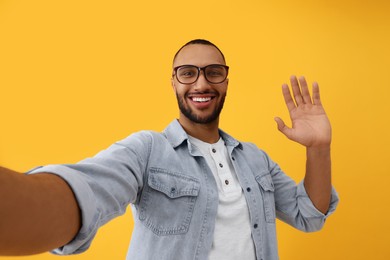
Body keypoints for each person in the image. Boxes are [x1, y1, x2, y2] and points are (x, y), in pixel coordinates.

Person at [0, 39, 338, 260]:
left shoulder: (255, 158)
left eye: (213, 73)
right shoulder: (148, 150)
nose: (201, 83)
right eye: (188, 73)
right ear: (174, 82)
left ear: (226, 82)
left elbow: (309, 215)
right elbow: (87, 191)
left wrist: (319, 149)